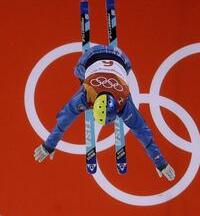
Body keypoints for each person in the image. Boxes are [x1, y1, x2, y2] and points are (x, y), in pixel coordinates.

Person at [33, 45, 175, 181]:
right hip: (111, 57)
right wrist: (159, 162)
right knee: (80, 73)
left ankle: (97, 70)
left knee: (82, 74)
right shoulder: (121, 101)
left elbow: (64, 121)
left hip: (116, 58)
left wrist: (50, 145)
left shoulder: (90, 95)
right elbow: (143, 134)